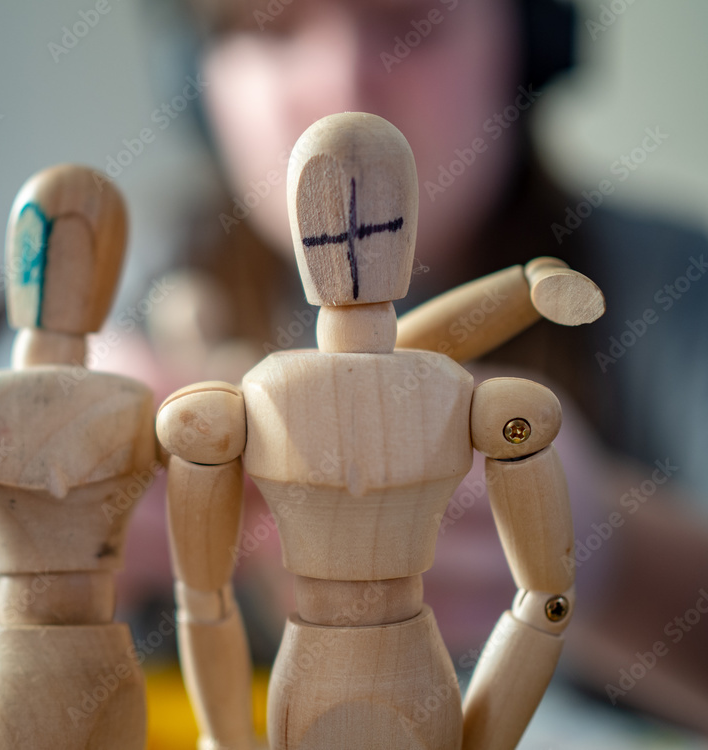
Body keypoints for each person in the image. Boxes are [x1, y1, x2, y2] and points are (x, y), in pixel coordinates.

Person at [148, 0, 708, 734]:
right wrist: (1, 554)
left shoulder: (677, 285)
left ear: (530, 44)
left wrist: (609, 551)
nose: (341, 89)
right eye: (269, 29)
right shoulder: (147, 290)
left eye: (411, 21)